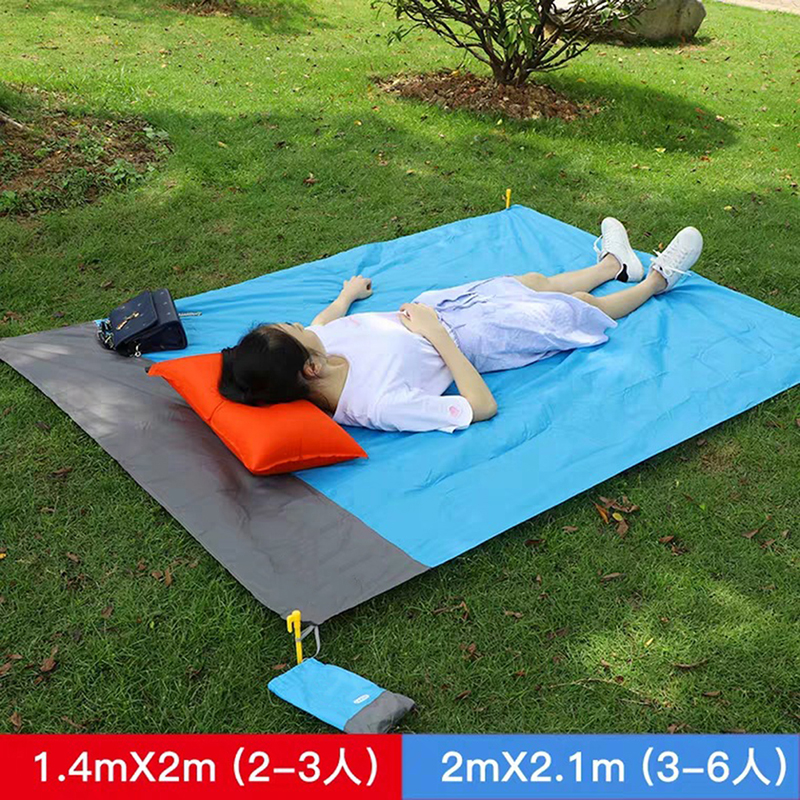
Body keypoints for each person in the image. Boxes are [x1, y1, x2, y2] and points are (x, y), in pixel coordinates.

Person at [219, 219, 703, 433]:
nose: (298, 323)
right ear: (310, 369)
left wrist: (347, 295)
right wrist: (435, 334)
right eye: (291, 327)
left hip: (442, 308)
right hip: (473, 339)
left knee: (533, 282)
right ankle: (657, 281)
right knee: (575, 307)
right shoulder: (377, 404)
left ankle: (614, 265)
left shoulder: (318, 347)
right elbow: (481, 407)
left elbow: (321, 322)